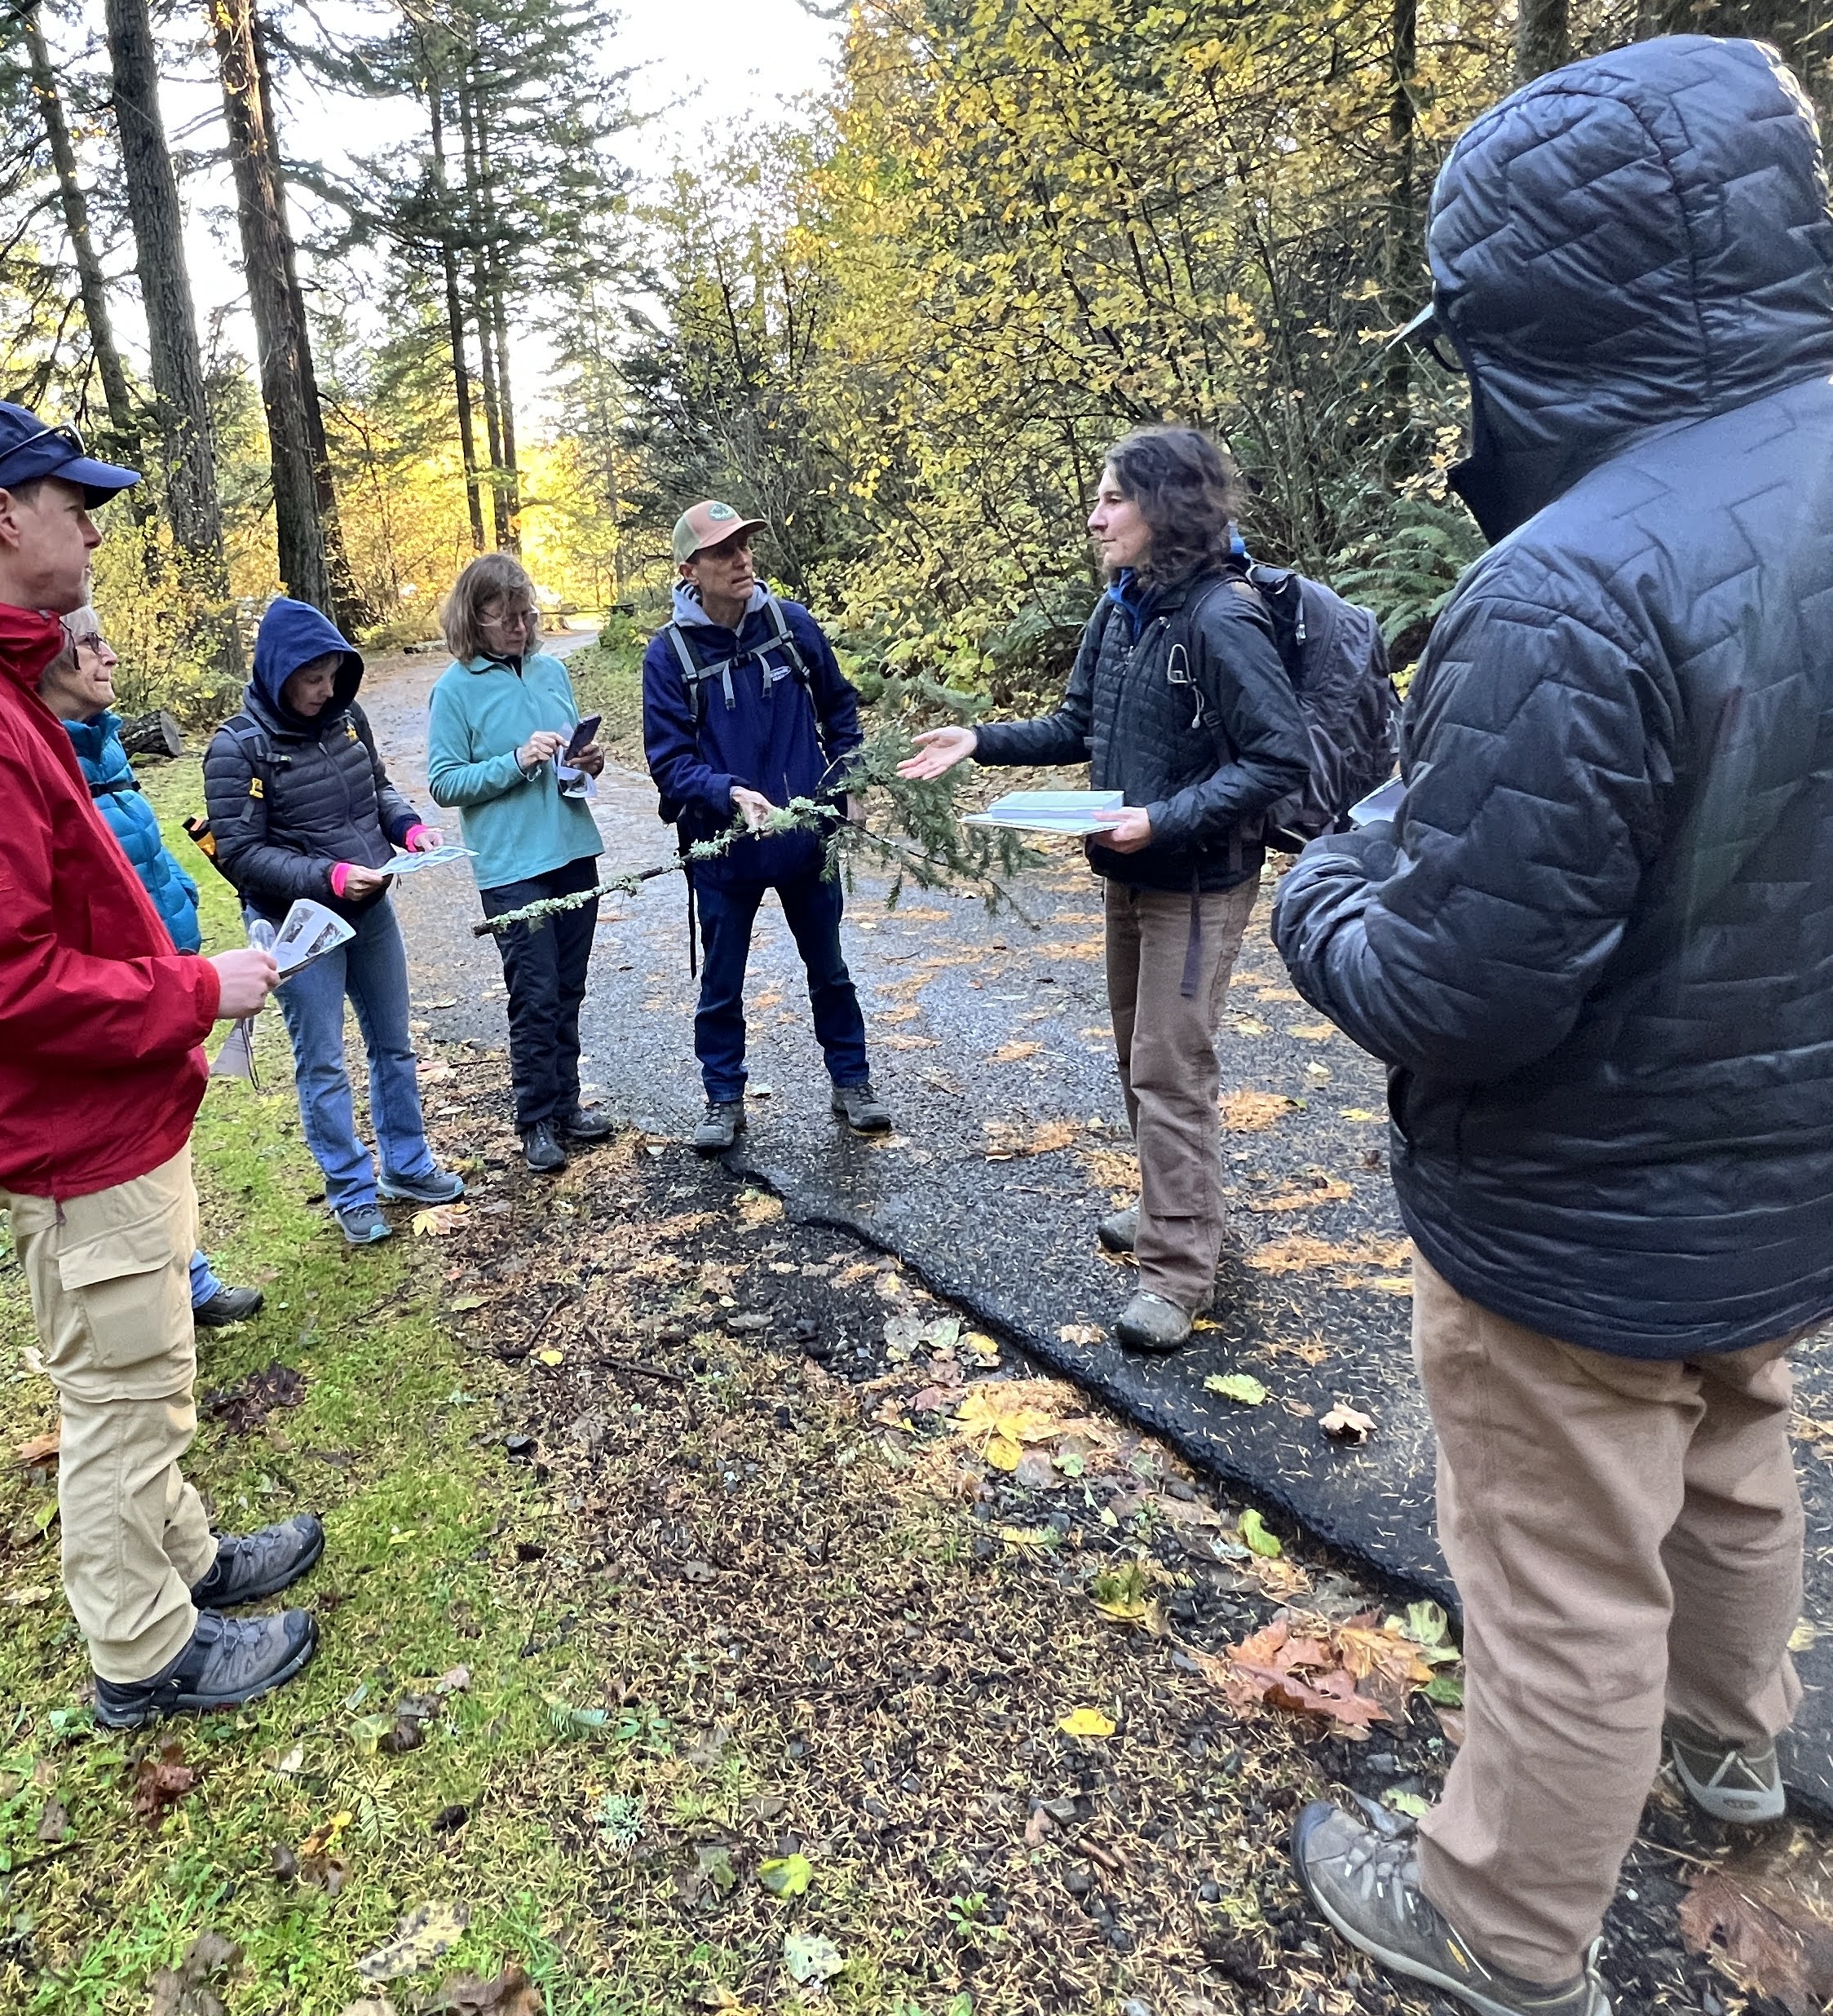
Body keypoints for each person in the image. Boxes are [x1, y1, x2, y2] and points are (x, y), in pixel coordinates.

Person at [1271, 37, 1833, 2016]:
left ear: (1530, 305)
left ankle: (1507, 1926)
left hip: (1587, 1203)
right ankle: (1731, 1753)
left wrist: (1320, 888)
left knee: (1557, 1557)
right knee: (1739, 1443)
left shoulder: (1567, 585)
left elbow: (1457, 985)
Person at [0, 397, 329, 1731]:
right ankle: (143, 1650)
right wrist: (193, 987)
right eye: (73, 501)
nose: (90, 525)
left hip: (103, 1115)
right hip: (69, 1131)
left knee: (144, 1375)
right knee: (121, 1398)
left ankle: (188, 1559)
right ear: (2, 513)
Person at [899, 429, 1311, 1353]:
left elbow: (1281, 755)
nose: (1095, 516)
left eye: (1113, 499)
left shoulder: (1221, 617)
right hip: (1128, 868)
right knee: (1140, 1059)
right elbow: (1078, 723)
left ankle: (1179, 1267)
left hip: (1197, 881)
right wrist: (978, 739)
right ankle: (1177, 1206)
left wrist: (1163, 822)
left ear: (1167, 507)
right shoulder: (1122, 609)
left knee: (1171, 1068)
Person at [204, 596, 467, 1245]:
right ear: (278, 673)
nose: (325, 691)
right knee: (322, 1061)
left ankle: (406, 1165)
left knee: (393, 1042)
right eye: (311, 679)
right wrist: (331, 877)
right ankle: (351, 1189)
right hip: (299, 928)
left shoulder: (348, 719)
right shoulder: (238, 748)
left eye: (332, 676)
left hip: (371, 908)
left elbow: (376, 788)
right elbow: (240, 854)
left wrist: (407, 829)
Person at [35, 603, 264, 1324]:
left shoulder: (102, 744)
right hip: (120, 992)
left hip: (167, 965)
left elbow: (145, 848)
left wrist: (185, 899)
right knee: (134, 1144)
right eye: (94, 643)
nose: (111, 657)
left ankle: (187, 1279)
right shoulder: (38, 760)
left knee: (167, 1132)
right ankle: (171, 1296)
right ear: (48, 654)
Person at [638, 502, 890, 1153]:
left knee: (830, 969)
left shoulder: (791, 625)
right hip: (724, 851)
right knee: (722, 983)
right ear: (689, 569)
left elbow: (840, 710)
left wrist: (848, 781)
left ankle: (852, 1081)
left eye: (746, 545)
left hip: (807, 843)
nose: (742, 559)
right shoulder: (669, 656)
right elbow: (669, 763)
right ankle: (723, 1099)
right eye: (723, 552)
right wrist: (727, 793)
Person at [423, 552, 615, 1174]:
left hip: (571, 849)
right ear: (474, 620)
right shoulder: (454, 689)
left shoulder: (552, 670)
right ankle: (534, 1121)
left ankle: (567, 1106)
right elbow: (445, 782)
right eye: (505, 618)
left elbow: (571, 762)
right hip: (510, 866)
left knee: (569, 987)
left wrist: (587, 764)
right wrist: (515, 760)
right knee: (533, 994)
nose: (519, 628)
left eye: (526, 616)